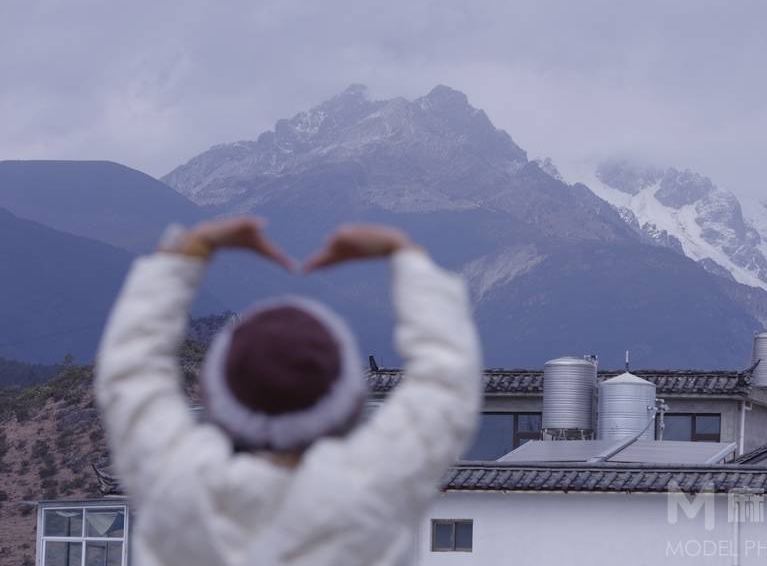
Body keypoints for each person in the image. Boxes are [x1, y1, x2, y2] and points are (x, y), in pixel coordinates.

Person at [94, 217, 483, 566]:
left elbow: (130, 372)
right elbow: (447, 382)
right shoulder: (374, 489)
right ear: (351, 402)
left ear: (214, 398)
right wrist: (406, 254)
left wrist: (186, 254)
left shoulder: (180, 487)